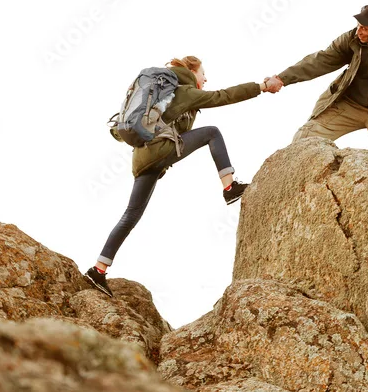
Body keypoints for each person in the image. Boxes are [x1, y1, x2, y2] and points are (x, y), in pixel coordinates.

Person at [84, 55, 282, 298]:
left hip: (143, 160)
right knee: (212, 132)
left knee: (131, 215)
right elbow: (223, 96)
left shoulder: (163, 92)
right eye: (203, 73)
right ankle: (229, 188)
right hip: (159, 151)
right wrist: (261, 86)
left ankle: (98, 270)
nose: (206, 78)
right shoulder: (184, 91)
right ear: (192, 71)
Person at [264, 5, 368, 157]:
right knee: (304, 140)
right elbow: (319, 61)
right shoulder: (351, 39)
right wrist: (281, 78)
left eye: (364, 28)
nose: (358, 31)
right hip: (349, 105)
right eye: (358, 26)